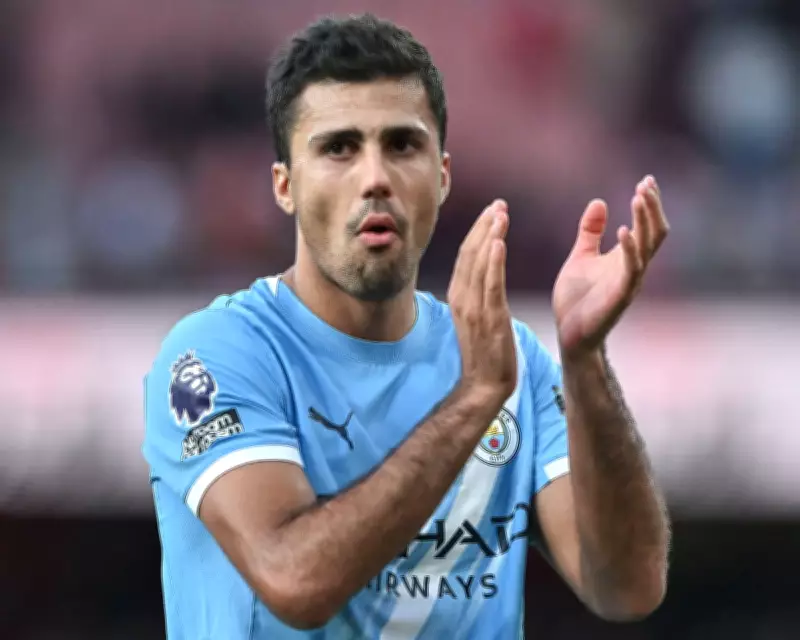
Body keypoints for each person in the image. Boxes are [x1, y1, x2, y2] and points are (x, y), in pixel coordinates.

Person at [142, 13, 671, 640]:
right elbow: (294, 580)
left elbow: (628, 587)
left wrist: (585, 362)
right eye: (339, 148)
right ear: (285, 186)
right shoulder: (218, 355)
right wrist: (474, 400)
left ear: (442, 176)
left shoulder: (514, 362)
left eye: (402, 145)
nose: (375, 178)